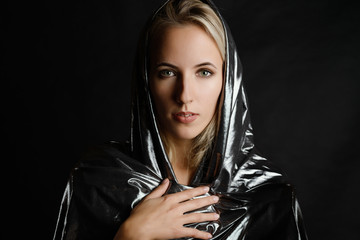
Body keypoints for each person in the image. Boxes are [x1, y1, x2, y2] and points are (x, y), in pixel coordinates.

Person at [53, 0, 308, 239]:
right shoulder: (99, 181)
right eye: (167, 73)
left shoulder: (266, 197)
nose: (185, 94)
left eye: (204, 72)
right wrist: (132, 234)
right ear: (146, 81)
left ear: (228, 81)